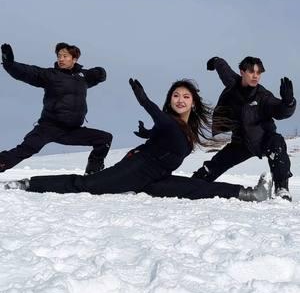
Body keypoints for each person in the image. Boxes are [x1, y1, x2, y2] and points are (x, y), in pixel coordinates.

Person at [4, 78, 269, 202]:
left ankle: (248, 193)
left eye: (185, 96)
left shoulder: (185, 129)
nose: (180, 99)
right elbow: (161, 121)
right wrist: (144, 101)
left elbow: (164, 136)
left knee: (194, 188)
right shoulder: (168, 120)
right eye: (175, 95)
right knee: (87, 185)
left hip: (155, 177)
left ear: (193, 103)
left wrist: (148, 134)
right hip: (136, 167)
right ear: (170, 100)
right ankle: (28, 184)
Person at [191, 56, 296, 201]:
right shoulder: (232, 84)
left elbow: (279, 111)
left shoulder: (263, 96)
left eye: (259, 73)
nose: (255, 76)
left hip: (263, 139)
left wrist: (288, 103)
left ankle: (282, 188)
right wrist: (215, 61)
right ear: (242, 72)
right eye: (251, 72)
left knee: (277, 144)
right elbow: (224, 69)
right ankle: (194, 182)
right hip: (240, 143)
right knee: (217, 163)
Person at [0, 42, 112, 175]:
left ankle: (93, 173)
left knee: (104, 139)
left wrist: (100, 72)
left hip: (72, 130)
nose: (61, 59)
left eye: (65, 56)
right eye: (59, 56)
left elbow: (100, 76)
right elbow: (27, 72)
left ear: (74, 59)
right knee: (25, 149)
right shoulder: (50, 75)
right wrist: (9, 63)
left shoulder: (82, 77)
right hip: (49, 127)